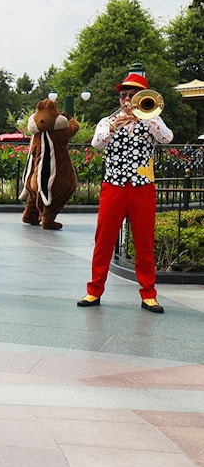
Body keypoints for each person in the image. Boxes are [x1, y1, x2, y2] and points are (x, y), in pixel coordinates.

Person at [78, 72, 173, 313]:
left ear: (143, 97)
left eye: (133, 95)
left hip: (142, 187)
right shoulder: (106, 121)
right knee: (104, 240)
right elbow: (96, 143)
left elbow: (167, 138)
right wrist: (113, 125)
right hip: (114, 186)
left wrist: (148, 117)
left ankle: (149, 294)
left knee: (144, 243)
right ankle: (94, 290)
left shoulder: (153, 120)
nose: (127, 100)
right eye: (124, 95)